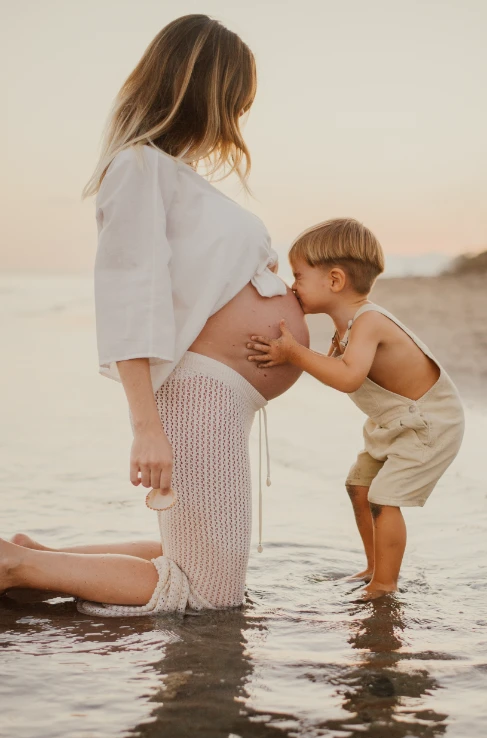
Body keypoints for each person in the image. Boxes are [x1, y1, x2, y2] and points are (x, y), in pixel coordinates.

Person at [0, 15, 309, 614]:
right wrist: (146, 426)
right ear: (203, 90)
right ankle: (20, 566)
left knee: (192, 559)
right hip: (199, 393)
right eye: (235, 100)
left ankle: (30, 557)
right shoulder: (138, 168)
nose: (237, 117)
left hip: (221, 397)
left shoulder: (176, 177)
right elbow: (128, 296)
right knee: (207, 594)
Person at [247, 218, 465, 599]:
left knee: (384, 497)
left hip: (428, 424)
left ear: (334, 280)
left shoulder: (370, 322)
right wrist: (294, 357)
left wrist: (295, 353)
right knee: (359, 485)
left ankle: (386, 584)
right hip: (393, 423)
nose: (292, 286)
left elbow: (347, 378)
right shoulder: (345, 329)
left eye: (298, 275)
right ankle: (373, 566)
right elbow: (338, 375)